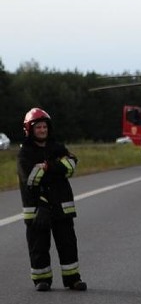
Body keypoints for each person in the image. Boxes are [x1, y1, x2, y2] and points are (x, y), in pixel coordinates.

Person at [17, 108, 87, 292]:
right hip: (37, 209)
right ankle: (42, 280)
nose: (42, 130)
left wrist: (46, 167)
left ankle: (73, 279)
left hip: (61, 206)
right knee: (38, 245)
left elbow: (71, 166)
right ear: (30, 130)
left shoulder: (58, 147)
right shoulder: (25, 153)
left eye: (44, 126)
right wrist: (57, 168)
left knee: (68, 243)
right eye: (38, 127)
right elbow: (30, 178)